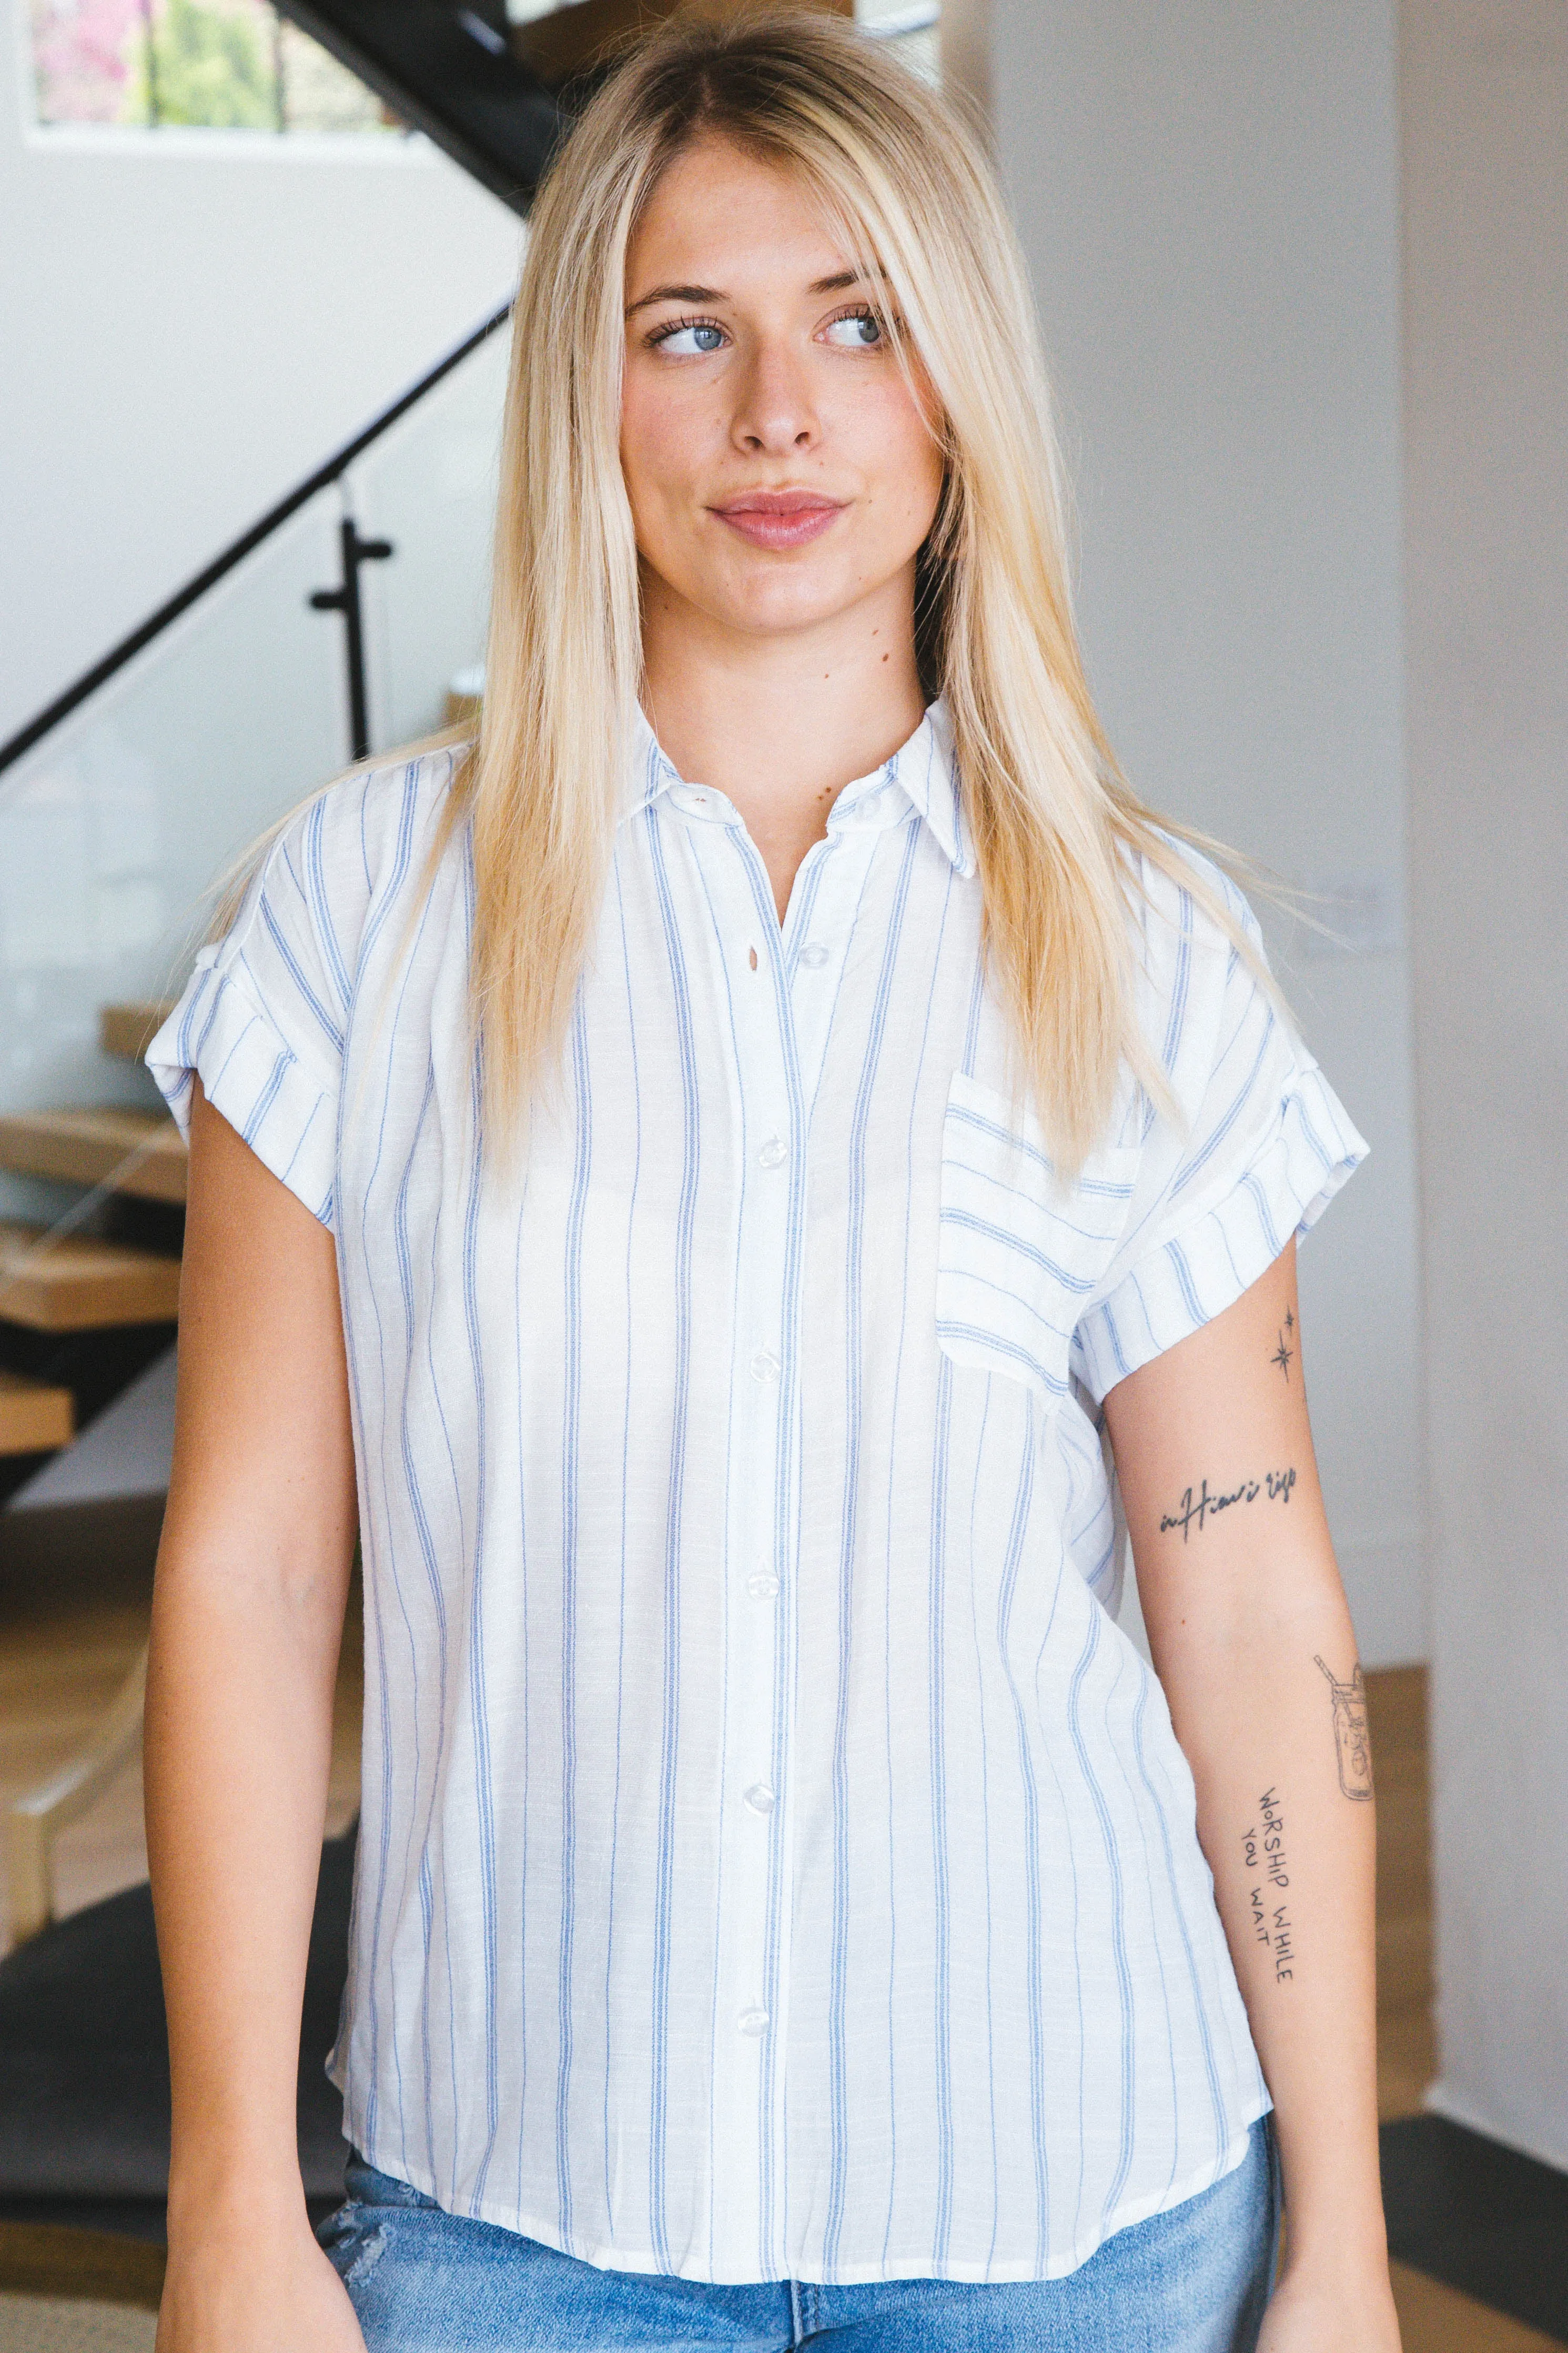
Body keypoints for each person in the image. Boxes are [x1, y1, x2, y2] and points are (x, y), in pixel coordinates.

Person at [144, 11, 1403, 2349]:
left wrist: (1336, 2233)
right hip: (516, 2229)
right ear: (582, 401)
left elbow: (1247, 1611)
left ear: (957, 395)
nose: (779, 415)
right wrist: (232, 2207)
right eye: (686, 331)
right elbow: (248, 1570)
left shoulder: (1143, 957)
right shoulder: (353, 919)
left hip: (1076, 2220)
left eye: (860, 322)